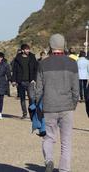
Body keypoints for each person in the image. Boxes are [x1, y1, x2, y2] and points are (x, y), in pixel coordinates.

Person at [35, 34, 79, 172]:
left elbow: (38, 89)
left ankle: (48, 160)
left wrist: (38, 106)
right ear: (63, 45)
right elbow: (76, 89)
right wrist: (73, 104)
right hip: (67, 106)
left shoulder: (43, 63)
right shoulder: (72, 63)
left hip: (49, 106)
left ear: (51, 46)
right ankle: (64, 170)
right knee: (66, 141)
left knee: (48, 137)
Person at [11, 44, 38, 119]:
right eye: (26, 49)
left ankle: (32, 114)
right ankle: (24, 113)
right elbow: (14, 70)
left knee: (32, 98)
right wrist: (14, 80)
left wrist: (34, 79)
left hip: (30, 81)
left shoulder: (32, 57)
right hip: (20, 81)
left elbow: (36, 68)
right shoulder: (17, 58)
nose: (28, 51)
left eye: (28, 49)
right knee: (22, 98)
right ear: (22, 50)